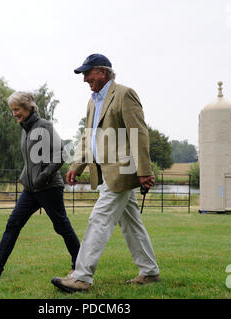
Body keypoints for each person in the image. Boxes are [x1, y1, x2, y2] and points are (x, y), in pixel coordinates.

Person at [51, 54, 160, 293]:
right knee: (131, 223)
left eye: (88, 73)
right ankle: (150, 271)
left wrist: (144, 171)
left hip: (122, 171)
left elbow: (138, 133)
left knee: (98, 220)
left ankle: (81, 277)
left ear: (102, 72)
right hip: (103, 172)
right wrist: (76, 165)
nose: (85, 79)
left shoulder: (124, 94)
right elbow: (87, 136)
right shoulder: (93, 101)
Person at [0, 91, 80, 278]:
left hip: (49, 188)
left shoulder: (44, 126)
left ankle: (80, 266)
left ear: (28, 107)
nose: (14, 113)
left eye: (17, 109)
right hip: (30, 190)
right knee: (13, 224)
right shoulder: (26, 129)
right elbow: (31, 160)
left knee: (61, 226)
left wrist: (42, 177)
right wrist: (26, 176)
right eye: (12, 110)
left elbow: (61, 155)